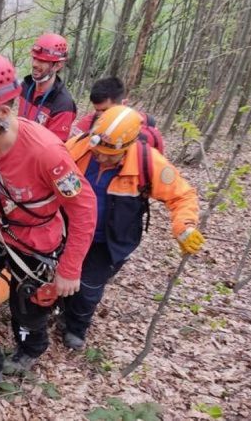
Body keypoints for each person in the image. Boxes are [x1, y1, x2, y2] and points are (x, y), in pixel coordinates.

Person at [0, 52, 97, 387]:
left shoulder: (46, 152)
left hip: (36, 237)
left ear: (2, 112)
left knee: (28, 309)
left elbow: (83, 207)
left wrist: (70, 267)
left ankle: (30, 347)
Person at [62, 105, 203, 350]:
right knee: (61, 273)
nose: (101, 158)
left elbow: (182, 195)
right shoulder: (78, 147)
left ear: (128, 146)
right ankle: (60, 309)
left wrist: (184, 227)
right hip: (70, 230)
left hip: (110, 239)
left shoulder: (148, 162)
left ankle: (76, 327)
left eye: (109, 155)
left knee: (88, 287)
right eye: (98, 152)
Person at [70, 76, 164, 152]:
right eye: (96, 110)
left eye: (105, 110)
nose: (100, 116)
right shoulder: (87, 123)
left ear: (124, 103)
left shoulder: (145, 128)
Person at [17, 33, 77, 141]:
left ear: (58, 65)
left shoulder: (63, 105)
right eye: (34, 58)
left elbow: (53, 148)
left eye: (42, 61)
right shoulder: (26, 86)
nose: (35, 64)